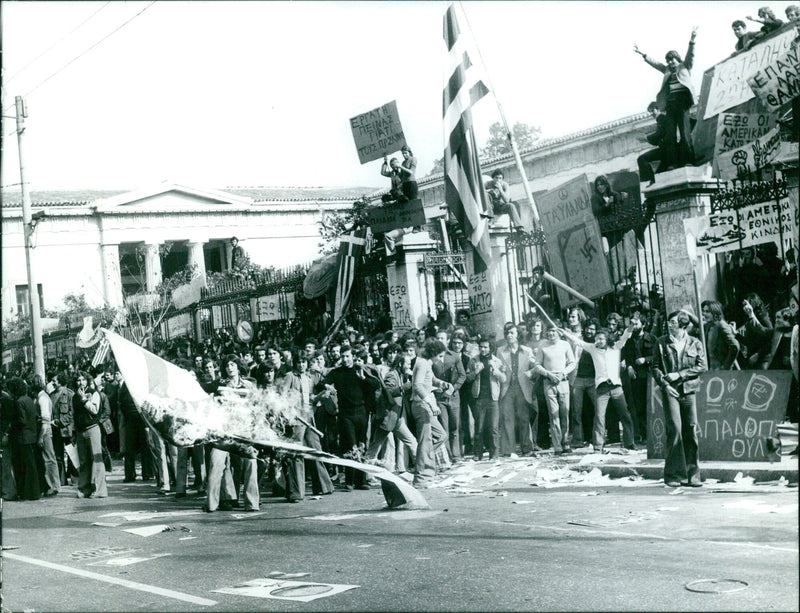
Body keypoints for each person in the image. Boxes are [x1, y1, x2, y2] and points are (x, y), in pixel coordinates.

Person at [559, 324, 637, 453]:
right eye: (596, 339)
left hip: (616, 387)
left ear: (607, 339)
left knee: (625, 415)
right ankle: (598, 446)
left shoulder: (615, 347)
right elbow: (578, 341)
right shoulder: (593, 348)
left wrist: (630, 327)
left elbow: (625, 337)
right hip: (602, 388)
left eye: (601, 339)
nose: (598, 341)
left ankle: (629, 443)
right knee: (599, 417)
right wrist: (564, 332)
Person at [652, 310, 707, 487]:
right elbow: (655, 367)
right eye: (669, 321)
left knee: (690, 429)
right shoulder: (661, 343)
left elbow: (702, 366)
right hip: (670, 390)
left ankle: (693, 474)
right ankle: (674, 475)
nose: (670, 324)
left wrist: (679, 375)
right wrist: (665, 384)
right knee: (674, 429)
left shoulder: (695, 342)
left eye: (674, 322)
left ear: (683, 324)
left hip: (688, 390)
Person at [634, 27, 697, 170]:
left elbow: (690, 55)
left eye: (672, 60)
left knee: (685, 133)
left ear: (677, 59)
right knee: (670, 136)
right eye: (668, 61)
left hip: (682, 103)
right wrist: (644, 55)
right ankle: (673, 162)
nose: (670, 63)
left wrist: (692, 40)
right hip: (671, 104)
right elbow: (657, 64)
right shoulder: (667, 70)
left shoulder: (685, 66)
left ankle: (689, 160)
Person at [324, 346, 381, 490]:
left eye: (347, 356)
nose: (345, 359)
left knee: (361, 445)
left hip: (361, 413)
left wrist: (363, 379)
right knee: (350, 445)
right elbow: (321, 383)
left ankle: (360, 480)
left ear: (353, 357)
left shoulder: (360, 369)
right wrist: (328, 387)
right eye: (342, 356)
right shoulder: (336, 372)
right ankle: (349, 481)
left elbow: (376, 384)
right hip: (345, 415)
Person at [410, 338, 451, 488]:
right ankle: (421, 478)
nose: (441, 359)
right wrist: (430, 403)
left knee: (440, 435)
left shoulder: (426, 363)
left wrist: (441, 383)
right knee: (425, 442)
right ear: (433, 354)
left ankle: (424, 462)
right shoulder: (421, 363)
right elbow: (417, 386)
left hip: (424, 405)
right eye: (439, 356)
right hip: (422, 406)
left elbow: (431, 379)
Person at [533, 325, 576, 454]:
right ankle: (557, 445)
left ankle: (565, 442)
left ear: (559, 332)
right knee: (553, 414)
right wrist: (548, 374)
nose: (551, 333)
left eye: (553, 331)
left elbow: (572, 363)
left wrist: (563, 373)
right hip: (549, 383)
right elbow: (537, 365)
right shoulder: (542, 345)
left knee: (564, 413)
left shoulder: (565, 345)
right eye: (549, 331)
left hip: (563, 381)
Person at [496, 323, 537, 456]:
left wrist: (531, 372)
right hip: (507, 388)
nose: (509, 335)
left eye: (512, 333)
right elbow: (498, 368)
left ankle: (527, 448)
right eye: (507, 333)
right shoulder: (500, 351)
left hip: (522, 387)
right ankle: (509, 449)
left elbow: (535, 366)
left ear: (518, 335)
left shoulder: (527, 350)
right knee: (508, 418)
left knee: (524, 417)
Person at [465, 338, 505, 459]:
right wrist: (476, 371)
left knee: (493, 428)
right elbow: (468, 378)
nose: (483, 349)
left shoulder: (497, 361)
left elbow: (504, 379)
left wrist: (496, 371)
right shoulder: (473, 360)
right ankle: (478, 454)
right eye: (481, 347)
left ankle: (494, 454)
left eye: (486, 347)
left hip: (493, 398)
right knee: (479, 427)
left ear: (490, 348)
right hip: (479, 398)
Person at [622, 311, 656, 444]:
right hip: (635, 378)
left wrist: (646, 359)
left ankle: (651, 434)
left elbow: (657, 356)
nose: (634, 326)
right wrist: (629, 367)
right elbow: (625, 355)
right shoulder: (629, 341)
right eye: (632, 324)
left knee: (651, 406)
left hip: (649, 377)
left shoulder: (652, 338)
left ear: (643, 324)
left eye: (636, 323)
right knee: (638, 407)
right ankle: (642, 434)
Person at [432, 331, 466, 461]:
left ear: (447, 340)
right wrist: (437, 389)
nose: (440, 340)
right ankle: (447, 456)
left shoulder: (454, 356)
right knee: (444, 427)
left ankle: (456, 455)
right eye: (438, 338)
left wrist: (453, 389)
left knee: (454, 427)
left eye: (443, 338)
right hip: (439, 397)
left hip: (453, 396)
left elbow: (462, 375)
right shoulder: (432, 358)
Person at [72, 371, 107, 498]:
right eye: (78, 380)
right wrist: (74, 432)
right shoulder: (75, 396)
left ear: (87, 381)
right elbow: (74, 414)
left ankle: (99, 490)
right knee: (83, 461)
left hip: (92, 428)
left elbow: (95, 410)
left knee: (96, 459)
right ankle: (83, 488)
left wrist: (84, 400)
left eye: (83, 380)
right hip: (80, 430)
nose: (80, 383)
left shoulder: (94, 393)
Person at [7, 377, 41, 500]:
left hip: (23, 437)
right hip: (32, 435)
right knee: (32, 465)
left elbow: (22, 420)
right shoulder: (29, 400)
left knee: (24, 466)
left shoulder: (19, 402)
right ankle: (34, 492)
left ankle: (28, 492)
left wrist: (12, 424)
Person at [570, 319, 599, 448]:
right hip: (578, 378)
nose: (589, 331)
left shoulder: (599, 342)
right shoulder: (579, 341)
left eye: (592, 329)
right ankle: (577, 439)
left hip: (593, 379)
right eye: (587, 328)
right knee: (576, 410)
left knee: (598, 409)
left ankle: (597, 438)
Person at [30, 374, 59, 496]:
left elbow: (45, 420)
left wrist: (41, 437)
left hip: (45, 431)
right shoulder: (41, 396)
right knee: (46, 459)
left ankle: (53, 486)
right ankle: (50, 485)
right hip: (43, 431)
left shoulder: (42, 398)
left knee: (49, 459)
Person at [49, 372, 75, 486]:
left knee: (72, 455)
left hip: (67, 429)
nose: (52, 382)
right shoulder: (51, 394)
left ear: (60, 380)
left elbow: (72, 413)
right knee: (58, 455)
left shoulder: (70, 394)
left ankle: (75, 479)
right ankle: (62, 480)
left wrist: (60, 422)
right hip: (55, 430)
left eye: (54, 380)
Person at [736, 293, 773, 369]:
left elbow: (771, 339)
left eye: (747, 304)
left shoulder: (763, 318)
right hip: (752, 356)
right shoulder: (748, 318)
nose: (744, 307)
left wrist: (758, 354)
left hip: (762, 358)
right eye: (744, 304)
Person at [701, 300, 740, 369]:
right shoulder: (708, 326)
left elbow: (735, 346)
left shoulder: (722, 326)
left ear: (715, 313)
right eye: (703, 311)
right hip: (711, 368)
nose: (704, 314)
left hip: (721, 370)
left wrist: (726, 366)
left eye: (707, 311)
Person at [637, 102, 668, 185]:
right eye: (649, 111)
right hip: (666, 152)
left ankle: (649, 179)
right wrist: (647, 140)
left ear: (658, 109)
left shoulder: (662, 118)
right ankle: (652, 181)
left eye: (652, 110)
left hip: (666, 151)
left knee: (641, 159)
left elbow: (660, 133)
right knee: (658, 176)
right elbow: (657, 140)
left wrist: (646, 138)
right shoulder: (660, 120)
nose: (651, 113)